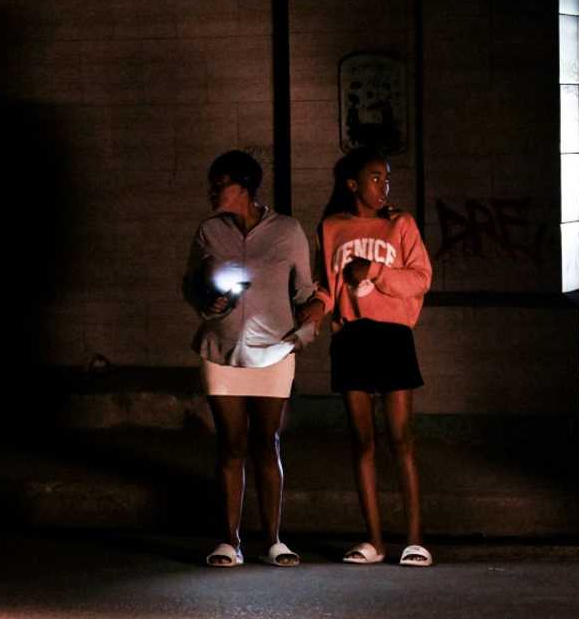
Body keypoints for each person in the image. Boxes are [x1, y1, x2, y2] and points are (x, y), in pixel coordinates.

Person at [297, 147, 433, 567]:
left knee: (401, 439)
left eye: (386, 179)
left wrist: (373, 271)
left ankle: (414, 540)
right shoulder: (332, 227)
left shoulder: (401, 224)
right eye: (375, 178)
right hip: (351, 338)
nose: (383, 186)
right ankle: (373, 540)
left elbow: (421, 278)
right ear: (352, 184)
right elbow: (326, 284)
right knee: (362, 441)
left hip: (392, 336)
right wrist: (316, 311)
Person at [183, 150, 317, 568]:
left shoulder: (287, 231)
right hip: (221, 352)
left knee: (267, 443)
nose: (212, 191)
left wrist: (305, 330)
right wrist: (211, 300)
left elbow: (307, 292)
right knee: (231, 444)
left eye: (219, 183)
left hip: (274, 351)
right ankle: (229, 540)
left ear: (243, 187)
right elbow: (190, 285)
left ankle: (275, 540)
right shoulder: (208, 232)